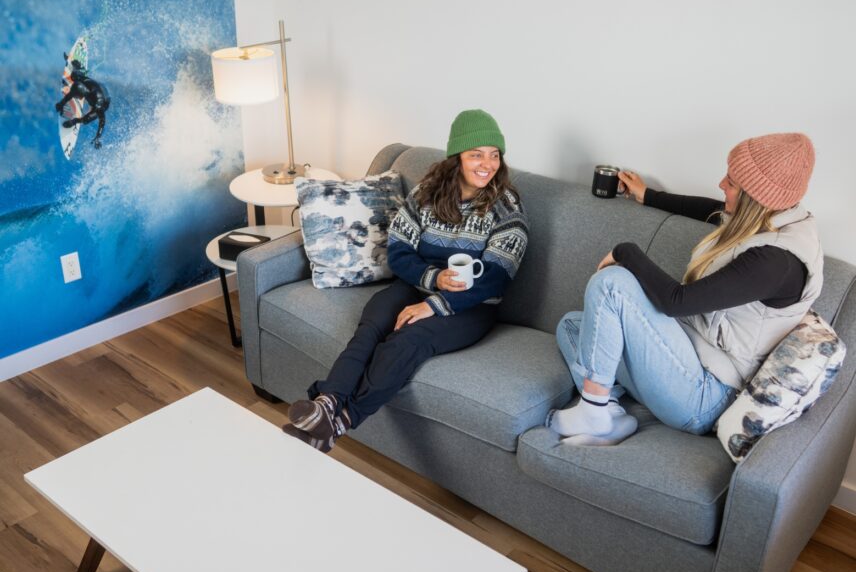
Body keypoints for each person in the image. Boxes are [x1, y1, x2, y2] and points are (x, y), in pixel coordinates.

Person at [547, 133, 822, 446]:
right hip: (687, 357)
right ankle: (609, 410)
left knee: (612, 285)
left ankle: (593, 411)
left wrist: (626, 251)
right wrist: (648, 195)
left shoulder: (776, 262)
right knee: (572, 325)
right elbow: (714, 209)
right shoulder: (772, 220)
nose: (721, 184)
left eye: (731, 182)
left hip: (706, 396)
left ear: (752, 197)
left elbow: (677, 302)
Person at [284, 109, 529, 452]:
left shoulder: (506, 206)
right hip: (416, 284)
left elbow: (495, 279)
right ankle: (326, 405)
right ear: (457, 156)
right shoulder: (426, 194)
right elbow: (399, 251)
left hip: (473, 306)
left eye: (494, 155)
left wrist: (435, 304)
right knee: (371, 326)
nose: (487, 163)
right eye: (476, 154)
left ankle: (342, 421)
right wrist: (433, 278)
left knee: (403, 343)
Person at [55, 58, 111, 149]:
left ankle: (74, 121)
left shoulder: (99, 106)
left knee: (86, 119)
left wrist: (97, 138)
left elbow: (102, 122)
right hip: (96, 87)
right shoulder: (85, 81)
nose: (77, 97)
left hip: (104, 99)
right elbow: (74, 87)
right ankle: (79, 67)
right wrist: (74, 64)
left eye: (77, 96)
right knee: (76, 78)